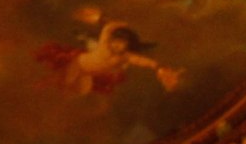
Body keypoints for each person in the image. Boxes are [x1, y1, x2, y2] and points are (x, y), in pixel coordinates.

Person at [38, 15, 184, 95]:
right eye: (115, 41)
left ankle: (51, 85)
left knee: (81, 92)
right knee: (65, 82)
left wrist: (158, 67)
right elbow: (107, 29)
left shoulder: (126, 57)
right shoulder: (105, 45)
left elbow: (142, 61)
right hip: (79, 64)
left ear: (128, 46)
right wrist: (122, 24)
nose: (116, 45)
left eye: (121, 43)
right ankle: (45, 84)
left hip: (88, 73)